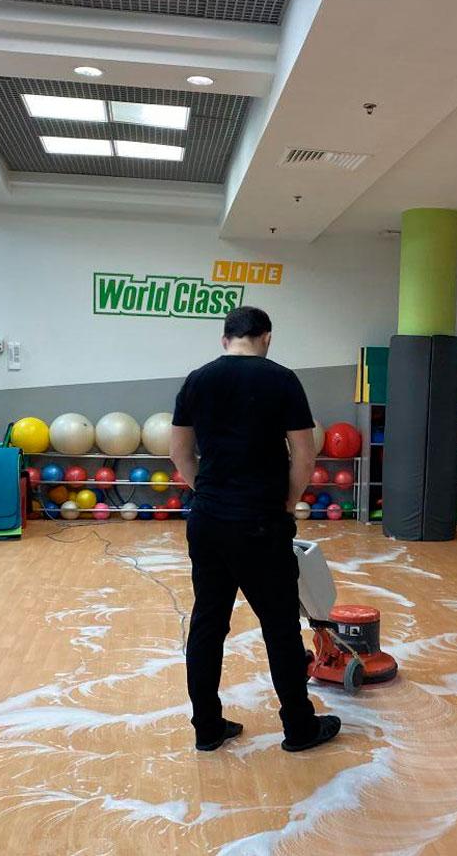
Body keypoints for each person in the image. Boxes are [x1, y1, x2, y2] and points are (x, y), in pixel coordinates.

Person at [169, 306, 341, 753]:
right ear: (266, 338)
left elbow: (179, 452)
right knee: (280, 627)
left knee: (208, 625)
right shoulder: (281, 379)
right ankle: (299, 728)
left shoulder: (197, 380)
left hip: (208, 522)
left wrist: (208, 492)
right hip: (261, 522)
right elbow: (304, 454)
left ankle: (207, 727)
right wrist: (287, 502)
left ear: (225, 340)